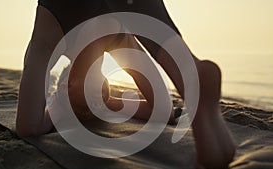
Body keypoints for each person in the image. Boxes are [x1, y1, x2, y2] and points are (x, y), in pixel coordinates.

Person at [16, 0, 236, 168]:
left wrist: (59, 105)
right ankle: (190, 70)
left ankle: (190, 72)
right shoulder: (117, 39)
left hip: (65, 10)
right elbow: (163, 110)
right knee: (172, 51)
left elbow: (29, 127)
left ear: (66, 86)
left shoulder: (50, 39)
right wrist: (106, 103)